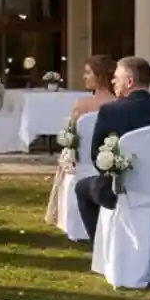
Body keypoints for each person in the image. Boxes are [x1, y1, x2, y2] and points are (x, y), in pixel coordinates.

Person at [74, 56, 150, 240]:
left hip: (123, 191)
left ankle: (100, 245)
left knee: (81, 188)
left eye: (116, 77)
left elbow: (97, 158)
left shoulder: (111, 111)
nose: (113, 81)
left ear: (129, 82)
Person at [44, 54, 116, 226]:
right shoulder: (120, 104)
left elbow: (73, 134)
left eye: (88, 72)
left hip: (82, 164)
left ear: (100, 76)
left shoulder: (82, 105)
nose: (84, 77)